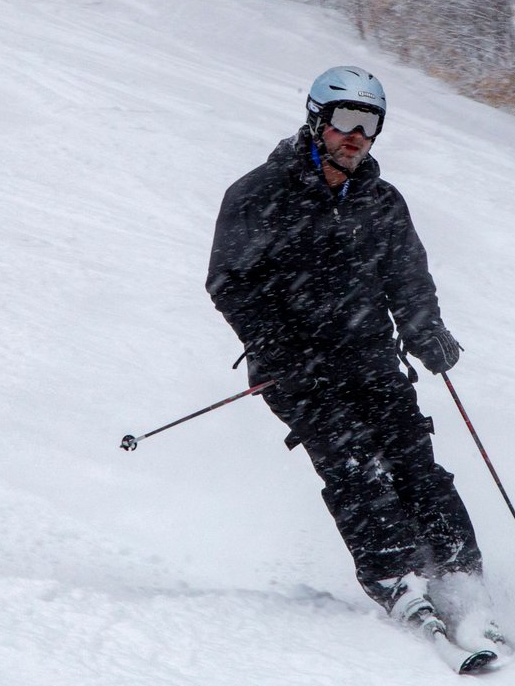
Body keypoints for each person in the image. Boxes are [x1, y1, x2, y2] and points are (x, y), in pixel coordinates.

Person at [206, 65, 498, 648]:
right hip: (297, 372)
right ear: (317, 121)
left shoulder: (382, 203)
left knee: (418, 468)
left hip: (370, 360)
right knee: (357, 467)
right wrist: (277, 344)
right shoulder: (259, 194)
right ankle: (399, 582)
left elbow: (408, 280)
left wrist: (427, 331)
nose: (356, 135)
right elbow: (228, 282)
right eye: (345, 120)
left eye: (369, 124)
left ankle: (464, 585)